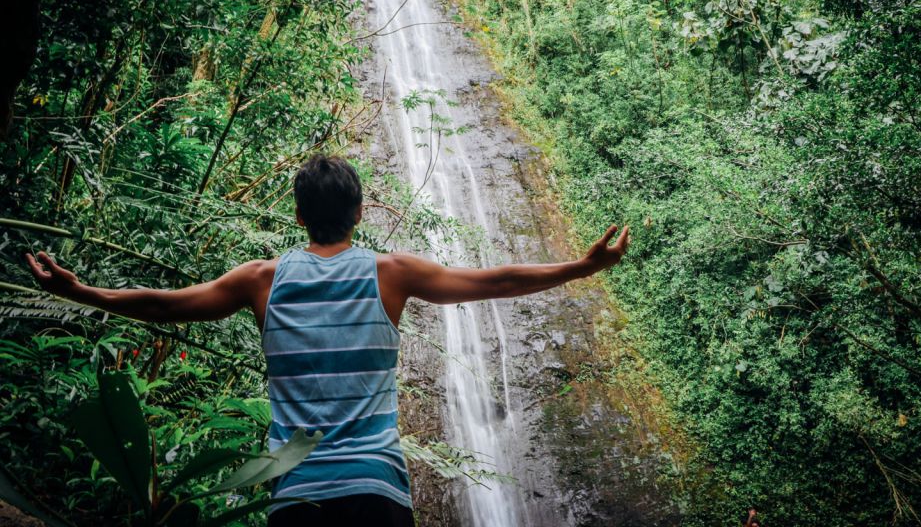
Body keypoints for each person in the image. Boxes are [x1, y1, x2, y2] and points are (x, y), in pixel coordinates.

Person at [25, 154, 630, 526]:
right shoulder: (391, 274)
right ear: (360, 213)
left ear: (297, 215)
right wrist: (580, 268)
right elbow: (490, 280)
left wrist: (88, 294)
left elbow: (171, 306)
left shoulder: (262, 280)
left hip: (297, 496)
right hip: (375, 487)